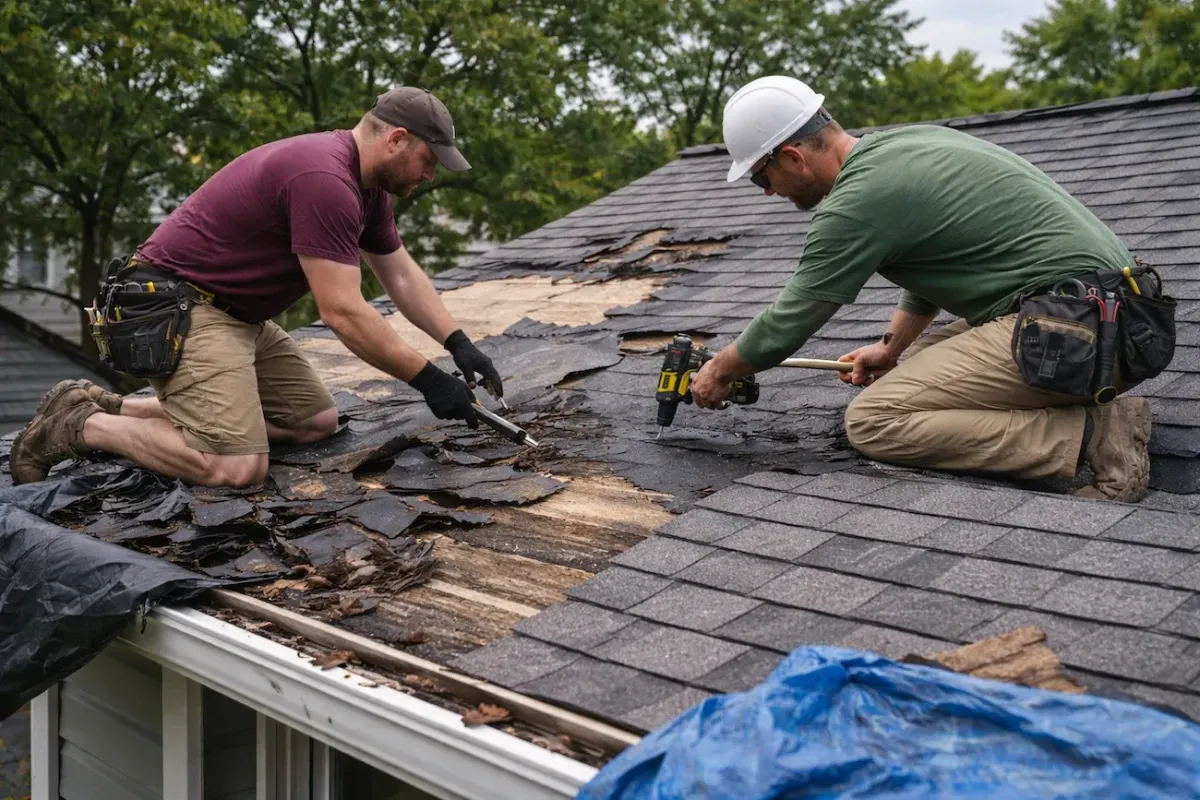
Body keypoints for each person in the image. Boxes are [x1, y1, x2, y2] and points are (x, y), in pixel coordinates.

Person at [689, 75, 1174, 503]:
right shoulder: (909, 146)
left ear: (793, 157)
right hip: (1114, 317)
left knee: (874, 421)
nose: (767, 191)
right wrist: (891, 347)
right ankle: (1068, 414)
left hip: (1085, 335)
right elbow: (932, 262)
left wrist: (720, 370)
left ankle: (1095, 437)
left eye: (761, 177)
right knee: (915, 370)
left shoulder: (855, 203)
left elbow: (793, 318)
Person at [11, 87, 503, 488]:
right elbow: (342, 312)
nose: (430, 175)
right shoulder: (325, 179)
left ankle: (111, 406)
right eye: (428, 160)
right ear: (396, 139)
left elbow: (399, 274)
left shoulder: (368, 189)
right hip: (177, 308)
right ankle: (81, 426)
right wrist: (429, 381)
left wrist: (458, 343)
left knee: (314, 421)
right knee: (237, 467)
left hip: (233, 314)